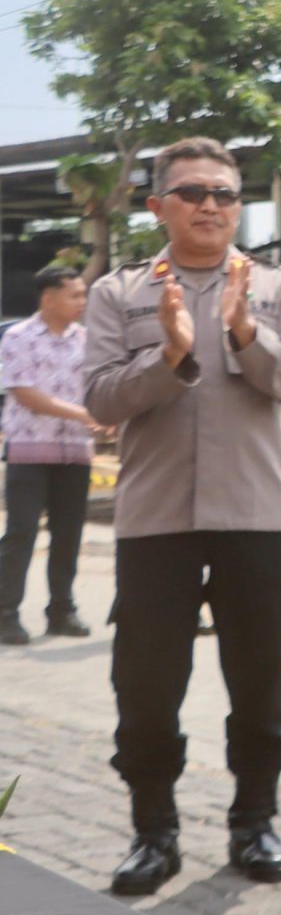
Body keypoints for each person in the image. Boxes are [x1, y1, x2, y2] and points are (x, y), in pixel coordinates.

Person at [83, 139, 281, 896]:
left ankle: (256, 821)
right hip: (156, 521)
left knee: (261, 678)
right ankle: (153, 833)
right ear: (158, 206)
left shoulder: (279, 286)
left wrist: (246, 332)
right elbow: (99, 397)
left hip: (257, 516)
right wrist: (170, 354)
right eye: (192, 192)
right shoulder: (120, 292)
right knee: (147, 686)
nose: (211, 205)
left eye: (224, 193)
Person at [2, 264, 103, 645]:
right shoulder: (18, 337)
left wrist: (108, 414)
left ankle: (62, 611)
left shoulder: (88, 340)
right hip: (28, 452)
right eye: (74, 295)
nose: (82, 302)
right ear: (48, 298)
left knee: (68, 534)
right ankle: (5, 614)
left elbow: (98, 388)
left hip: (75, 452)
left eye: (83, 294)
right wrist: (84, 414)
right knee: (22, 532)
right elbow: (24, 392)